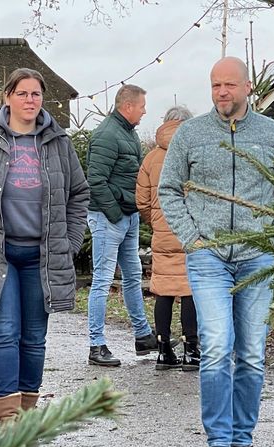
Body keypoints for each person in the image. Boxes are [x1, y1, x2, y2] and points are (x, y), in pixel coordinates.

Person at [158, 57, 274, 447]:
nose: (222, 92)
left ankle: (244, 441)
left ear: (247, 87)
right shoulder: (191, 134)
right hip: (209, 258)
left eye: (230, 85)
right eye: (216, 85)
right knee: (218, 347)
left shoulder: (273, 134)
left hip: (258, 257)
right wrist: (193, 239)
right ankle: (219, 443)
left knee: (252, 352)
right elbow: (168, 189)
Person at [0, 67, 89, 424]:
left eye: (36, 94)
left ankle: (26, 416)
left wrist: (69, 241)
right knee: (5, 334)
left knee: (34, 338)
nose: (30, 100)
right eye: (22, 93)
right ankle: (7, 419)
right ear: (7, 97)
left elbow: (79, 193)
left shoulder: (59, 143)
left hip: (42, 257)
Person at [86, 84, 157, 367]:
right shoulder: (106, 135)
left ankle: (143, 336)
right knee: (103, 280)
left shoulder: (128, 133)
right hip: (109, 217)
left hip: (128, 215)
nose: (144, 111)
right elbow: (96, 181)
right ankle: (96, 344)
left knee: (133, 275)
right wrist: (115, 214)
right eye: (141, 106)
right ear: (127, 106)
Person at [136, 104, 200, 371]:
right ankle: (191, 351)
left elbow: (141, 200)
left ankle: (163, 350)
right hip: (190, 230)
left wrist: (157, 223)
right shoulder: (194, 152)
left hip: (162, 233)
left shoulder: (151, 158)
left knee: (162, 290)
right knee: (188, 291)